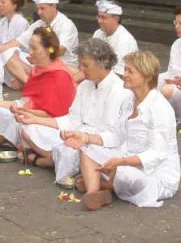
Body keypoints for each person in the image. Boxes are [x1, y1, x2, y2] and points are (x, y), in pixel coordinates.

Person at [64, 50, 180, 210]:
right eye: (125, 69)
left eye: (130, 71)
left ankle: (106, 185)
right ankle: (93, 192)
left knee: (124, 172)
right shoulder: (128, 100)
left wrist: (120, 162)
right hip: (126, 158)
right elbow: (116, 136)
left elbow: (157, 153)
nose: (124, 74)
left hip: (155, 174)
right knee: (87, 148)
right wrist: (86, 137)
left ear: (146, 76)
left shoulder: (159, 107)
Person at [17, 37, 131, 184]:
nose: (81, 70)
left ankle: (45, 160)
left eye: (85, 65)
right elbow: (72, 120)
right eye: (80, 65)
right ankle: (51, 159)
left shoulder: (120, 91)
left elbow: (112, 135)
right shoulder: (85, 85)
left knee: (78, 152)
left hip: (99, 143)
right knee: (28, 128)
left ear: (102, 64)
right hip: (77, 136)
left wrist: (83, 137)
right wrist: (34, 119)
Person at [0, 27, 76, 150]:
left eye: (34, 48)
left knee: (22, 122)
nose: (30, 52)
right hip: (28, 115)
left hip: (49, 125)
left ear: (47, 50)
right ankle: (12, 140)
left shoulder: (59, 75)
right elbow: (26, 103)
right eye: (30, 47)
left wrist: (26, 112)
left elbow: (53, 115)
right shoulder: (37, 69)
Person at [3, 0, 79, 84]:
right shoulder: (38, 24)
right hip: (41, 63)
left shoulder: (66, 24)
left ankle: (33, 84)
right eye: (38, 8)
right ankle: (30, 83)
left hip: (63, 65)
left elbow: (60, 50)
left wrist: (39, 56)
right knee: (9, 53)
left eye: (43, 8)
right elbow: (17, 42)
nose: (39, 12)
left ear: (54, 7)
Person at [0, 0, 31, 87]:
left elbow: (18, 49)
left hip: (20, 60)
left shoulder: (21, 22)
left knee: (8, 53)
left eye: (3, 2)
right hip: (3, 57)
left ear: (14, 6)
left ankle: (22, 79)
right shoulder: (3, 22)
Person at [90, 0, 139, 76]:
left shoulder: (125, 40)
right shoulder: (98, 33)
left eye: (103, 17)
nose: (99, 21)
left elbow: (118, 74)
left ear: (116, 19)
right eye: (98, 16)